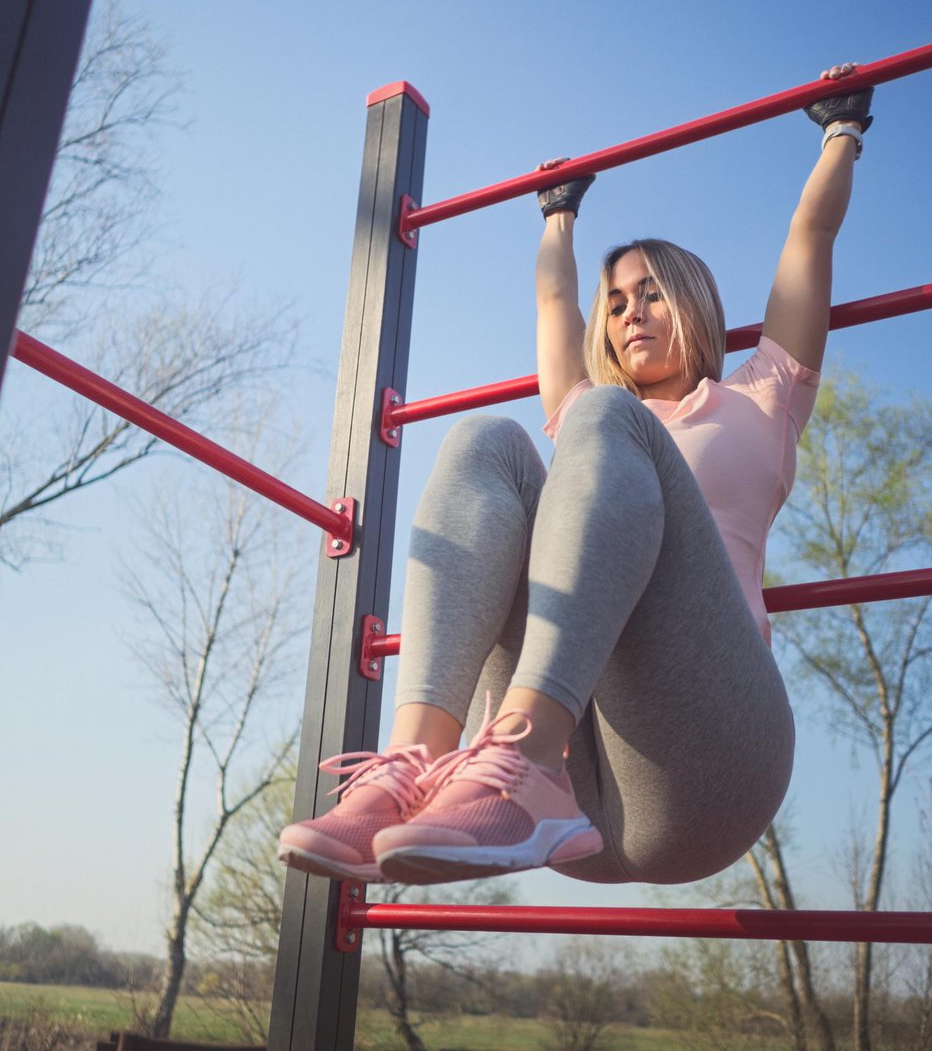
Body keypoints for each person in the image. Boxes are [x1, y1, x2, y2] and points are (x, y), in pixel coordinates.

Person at [278, 62, 873, 887]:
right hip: (582, 790)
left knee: (600, 418)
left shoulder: (763, 398)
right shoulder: (600, 429)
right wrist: (559, 212)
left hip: (708, 770)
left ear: (696, 305)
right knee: (487, 438)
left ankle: (524, 758)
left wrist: (842, 130)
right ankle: (412, 770)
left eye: (653, 293)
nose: (631, 311)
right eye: (618, 300)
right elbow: (556, 306)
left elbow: (810, 239)